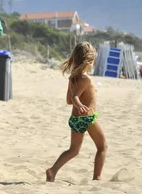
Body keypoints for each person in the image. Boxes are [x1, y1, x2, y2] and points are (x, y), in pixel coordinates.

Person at [46, 42, 107, 182]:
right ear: (89, 61)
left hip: (75, 119)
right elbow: (74, 98)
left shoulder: (73, 78)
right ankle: (97, 178)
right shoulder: (85, 78)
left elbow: (68, 100)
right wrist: (80, 104)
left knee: (73, 150)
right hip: (87, 118)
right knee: (102, 146)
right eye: (93, 62)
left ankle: (53, 171)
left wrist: (76, 102)